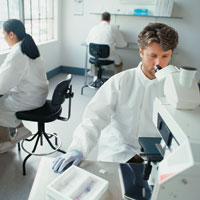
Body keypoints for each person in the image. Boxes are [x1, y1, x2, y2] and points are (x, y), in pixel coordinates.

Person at [52, 23, 178, 173]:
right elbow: (94, 117)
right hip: (118, 151)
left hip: (157, 155)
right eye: (153, 56)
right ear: (141, 52)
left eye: (165, 56)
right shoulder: (120, 81)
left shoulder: (175, 87)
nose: (159, 63)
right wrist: (77, 148)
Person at [0, 19, 49, 153]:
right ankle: (21, 130)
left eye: (3, 34)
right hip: (37, 94)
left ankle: (4, 143)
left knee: (0, 105)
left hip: (29, 98)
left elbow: (2, 84)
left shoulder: (17, 53)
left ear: (11, 35)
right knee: (5, 100)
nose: (3, 38)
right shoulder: (27, 46)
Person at [86, 12, 127, 76]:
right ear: (109, 20)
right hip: (109, 57)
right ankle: (116, 79)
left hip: (95, 56)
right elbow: (122, 45)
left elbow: (87, 42)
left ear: (101, 19)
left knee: (94, 57)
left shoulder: (94, 28)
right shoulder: (114, 29)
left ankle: (95, 76)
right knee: (119, 61)